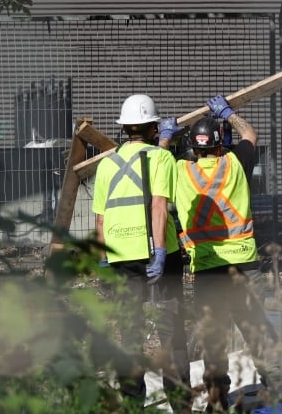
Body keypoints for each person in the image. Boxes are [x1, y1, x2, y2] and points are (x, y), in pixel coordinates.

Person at [159, 95, 282, 412]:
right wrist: (230, 114)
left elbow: (156, 164)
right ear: (219, 144)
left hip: (207, 270)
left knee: (214, 340)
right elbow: (250, 136)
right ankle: (280, 394)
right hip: (245, 266)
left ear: (192, 146)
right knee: (258, 331)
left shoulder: (179, 170)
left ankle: (217, 401)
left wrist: (164, 137)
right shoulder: (234, 162)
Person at [92, 94, 190, 411]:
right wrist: (160, 251)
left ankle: (133, 405)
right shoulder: (163, 158)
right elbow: (159, 206)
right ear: (151, 127)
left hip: (120, 255)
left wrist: (104, 257)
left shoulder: (107, 163)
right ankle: (180, 404)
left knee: (129, 333)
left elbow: (101, 218)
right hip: (156, 255)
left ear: (125, 128)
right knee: (171, 332)